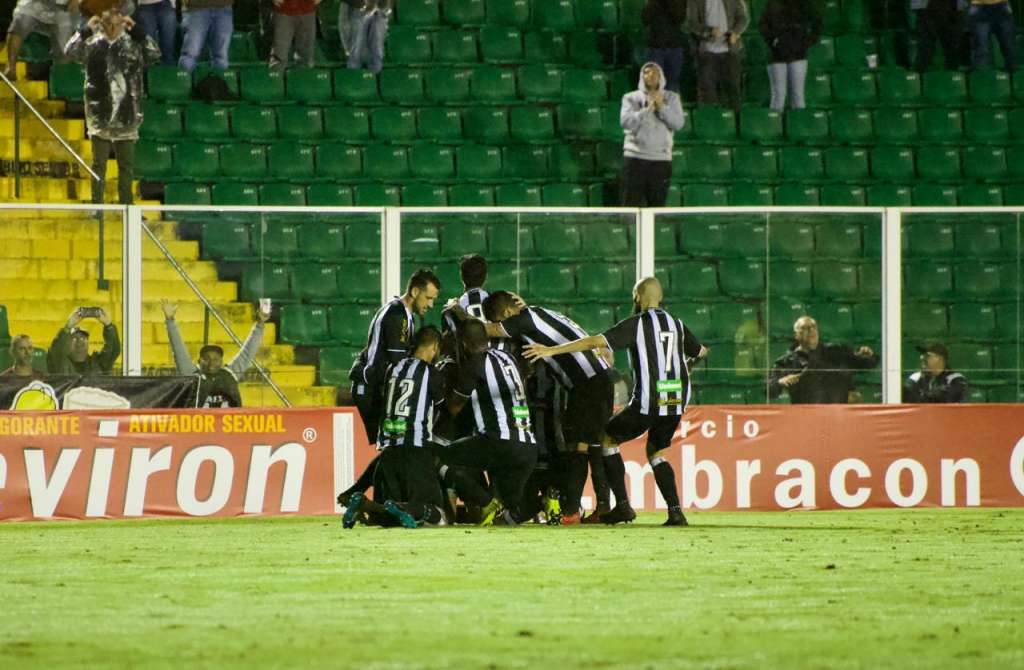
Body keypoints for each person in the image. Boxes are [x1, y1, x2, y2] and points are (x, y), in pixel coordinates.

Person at [524, 277, 709, 527]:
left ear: (638, 297)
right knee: (657, 452)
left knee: (607, 439)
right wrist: (685, 368)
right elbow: (701, 351)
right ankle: (676, 512)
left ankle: (622, 506)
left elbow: (595, 341)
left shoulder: (638, 324)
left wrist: (551, 350)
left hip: (649, 400)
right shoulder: (676, 324)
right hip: (675, 400)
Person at [473, 290, 616, 524]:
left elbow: (487, 331)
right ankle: (601, 506)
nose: (503, 326)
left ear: (507, 313)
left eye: (501, 319)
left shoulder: (523, 319)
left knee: (581, 446)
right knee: (591, 443)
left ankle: (573, 510)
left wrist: (460, 313)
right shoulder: (539, 314)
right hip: (595, 378)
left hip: (588, 382)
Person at [335, 269, 441, 505]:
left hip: (369, 384)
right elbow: (397, 362)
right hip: (370, 387)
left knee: (393, 447)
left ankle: (364, 494)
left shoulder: (398, 311)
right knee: (394, 446)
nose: (431, 304)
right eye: (429, 297)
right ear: (415, 291)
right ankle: (364, 494)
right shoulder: (399, 316)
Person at [342, 327, 448, 529]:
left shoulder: (392, 369)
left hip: (388, 451)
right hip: (416, 449)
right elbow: (445, 409)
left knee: (391, 518)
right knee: (437, 515)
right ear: (434, 347)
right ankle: (397, 506)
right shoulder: (431, 374)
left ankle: (363, 504)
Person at [439, 319, 538, 526]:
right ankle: (539, 502)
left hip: (498, 443)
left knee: (440, 456)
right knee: (503, 518)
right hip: (527, 447)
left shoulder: (474, 363)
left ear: (463, 343)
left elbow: (454, 407)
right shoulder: (507, 357)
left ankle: (484, 502)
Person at [64, 7, 160, 206]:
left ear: (123, 24)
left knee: (126, 166)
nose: (112, 29)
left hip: (127, 114)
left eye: (116, 24)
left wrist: (139, 32)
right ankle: (97, 204)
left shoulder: (132, 44)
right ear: (102, 24)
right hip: (100, 114)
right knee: (98, 165)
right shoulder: (92, 44)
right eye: (108, 24)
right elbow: (69, 52)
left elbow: (154, 54)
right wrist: (84, 31)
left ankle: (127, 205)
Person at [162, 299, 268, 408]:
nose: (211, 363)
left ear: (221, 361)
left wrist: (260, 323)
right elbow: (179, 350)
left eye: (216, 359)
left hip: (227, 425)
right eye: (206, 359)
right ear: (199, 361)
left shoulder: (230, 374)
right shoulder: (192, 375)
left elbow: (248, 351)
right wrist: (170, 320)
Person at [769, 316, 879, 404]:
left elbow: (868, 364)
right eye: (805, 328)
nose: (811, 330)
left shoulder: (837, 351)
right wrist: (780, 382)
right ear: (796, 335)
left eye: (813, 327)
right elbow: (769, 391)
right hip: (808, 420)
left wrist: (870, 355)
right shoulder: (787, 362)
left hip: (840, 417)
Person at [620, 61, 685, 207]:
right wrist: (647, 110)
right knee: (629, 205)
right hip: (635, 158)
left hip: (661, 160)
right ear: (641, 76)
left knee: (657, 207)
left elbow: (678, 124)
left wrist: (661, 107)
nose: (651, 75)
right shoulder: (630, 98)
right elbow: (625, 122)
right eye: (646, 72)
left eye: (655, 72)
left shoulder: (672, 98)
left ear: (661, 76)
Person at [685, 0, 749, 111]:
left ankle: (735, 124)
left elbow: (742, 18)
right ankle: (710, 124)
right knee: (707, 93)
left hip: (730, 51)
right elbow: (691, 23)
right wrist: (709, 31)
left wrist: (735, 32)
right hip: (707, 53)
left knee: (733, 91)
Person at [758, 0, 821, 110]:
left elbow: (818, 23)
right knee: (778, 95)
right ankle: (775, 126)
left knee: (798, 96)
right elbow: (763, 25)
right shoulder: (772, 3)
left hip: (798, 54)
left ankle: (799, 125)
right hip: (776, 54)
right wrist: (773, 40)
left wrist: (807, 41)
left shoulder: (805, 4)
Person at [4, 0, 78, 80]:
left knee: (65, 51)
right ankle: (11, 68)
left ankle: (63, 83)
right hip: (33, 4)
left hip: (63, 9)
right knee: (19, 22)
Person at [47, 307, 121, 375]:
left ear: (88, 342)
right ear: (67, 343)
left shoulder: (99, 363)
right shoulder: (60, 364)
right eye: (74, 338)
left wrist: (109, 325)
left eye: (83, 338)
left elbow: (113, 350)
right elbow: (55, 351)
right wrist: (68, 327)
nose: (79, 341)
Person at [642, 0, 687, 93]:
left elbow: (680, 17)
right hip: (655, 46)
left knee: (672, 84)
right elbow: (645, 19)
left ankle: (671, 106)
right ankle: (655, 106)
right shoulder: (653, 3)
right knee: (654, 84)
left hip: (674, 45)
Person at [178, 0, 233, 72]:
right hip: (195, 7)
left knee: (221, 56)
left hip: (224, 7)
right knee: (190, 54)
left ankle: (219, 82)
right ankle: (184, 82)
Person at [903, 342, 968, 403]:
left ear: (940, 359)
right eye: (922, 355)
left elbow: (946, 400)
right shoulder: (916, 377)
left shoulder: (955, 379)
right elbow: (906, 397)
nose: (922, 358)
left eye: (927, 355)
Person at [967, 0, 1017, 73]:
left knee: (1009, 46)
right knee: (981, 49)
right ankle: (981, 79)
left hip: (1001, 5)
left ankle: (1013, 78)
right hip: (979, 7)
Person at [269, 0, 318, 72]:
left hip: (308, 10)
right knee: (279, 56)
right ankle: (276, 81)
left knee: (306, 57)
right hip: (283, 11)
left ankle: (304, 81)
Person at [346, 0, 389, 73]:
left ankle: (375, 75)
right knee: (356, 48)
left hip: (379, 10)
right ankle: (354, 73)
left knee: (377, 48)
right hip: (358, 8)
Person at [133, 0, 176, 65]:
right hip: (145, 5)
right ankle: (148, 68)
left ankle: (168, 65)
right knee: (149, 41)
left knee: (168, 39)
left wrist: (172, 4)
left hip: (165, 3)